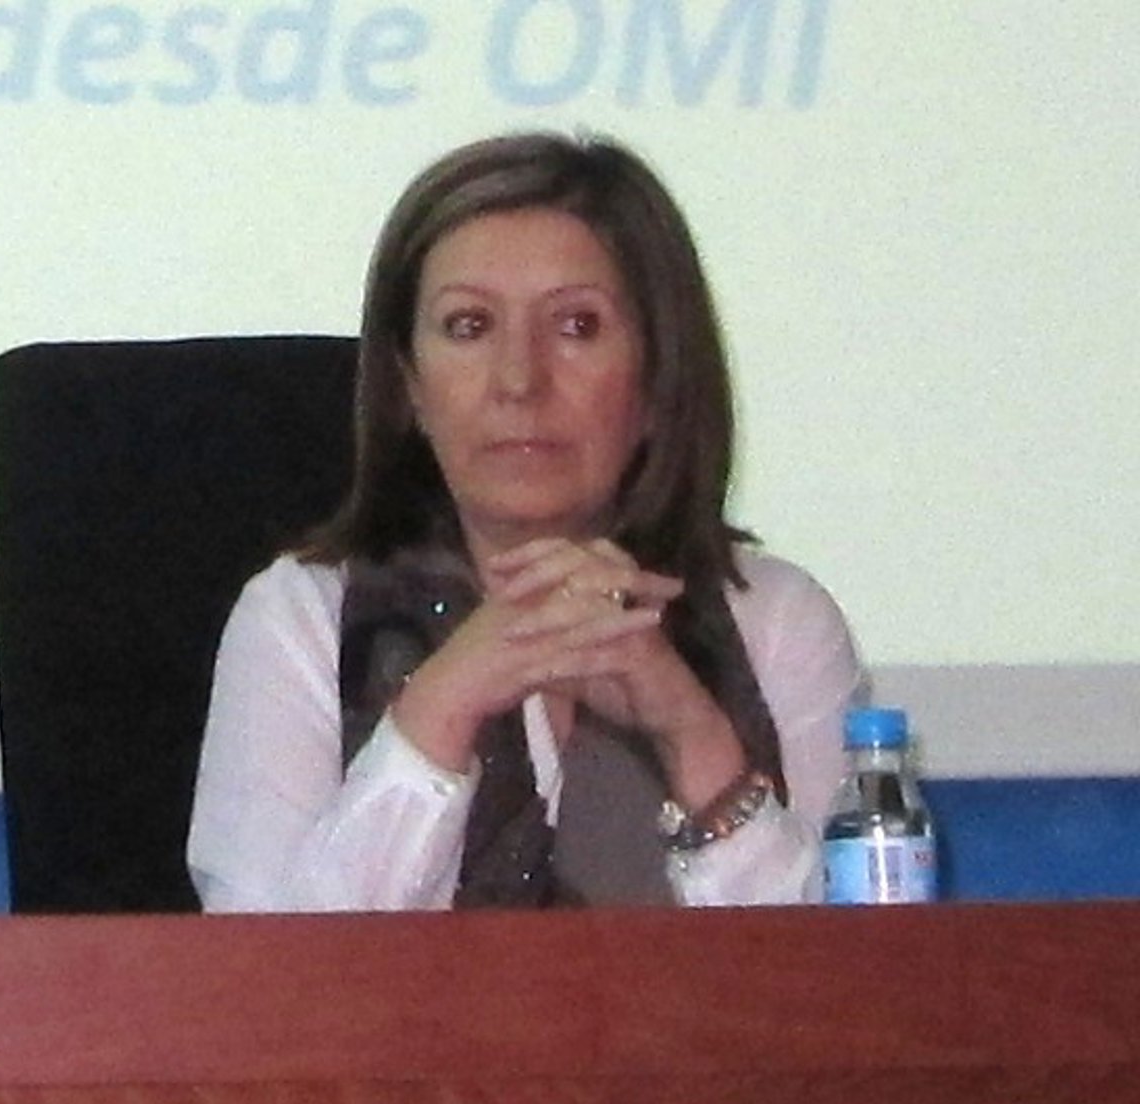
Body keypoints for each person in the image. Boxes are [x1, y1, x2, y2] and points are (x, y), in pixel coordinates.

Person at [187, 131, 863, 912]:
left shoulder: (775, 621)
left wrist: (693, 733)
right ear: (410, 388)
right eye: (469, 326)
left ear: (657, 381)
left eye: (577, 326)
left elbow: (850, 976)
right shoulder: (301, 617)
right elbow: (269, 972)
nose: (518, 379)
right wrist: (437, 712)